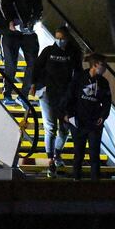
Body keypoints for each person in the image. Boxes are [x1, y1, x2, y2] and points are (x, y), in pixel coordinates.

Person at [30, 25, 81, 178]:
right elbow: (37, 67)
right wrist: (33, 84)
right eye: (57, 38)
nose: (59, 41)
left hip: (65, 95)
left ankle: (57, 153)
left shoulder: (73, 53)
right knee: (50, 127)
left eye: (62, 38)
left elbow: (77, 73)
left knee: (64, 128)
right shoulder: (48, 51)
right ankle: (51, 159)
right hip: (48, 93)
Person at [0, 0, 42, 105]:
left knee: (32, 63)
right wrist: (9, 21)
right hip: (11, 31)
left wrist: (32, 22)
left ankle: (23, 95)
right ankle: (7, 93)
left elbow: (38, 9)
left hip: (27, 32)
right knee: (11, 63)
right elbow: (3, 3)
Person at [65, 53, 112, 181]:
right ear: (95, 65)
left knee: (94, 155)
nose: (105, 68)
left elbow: (107, 102)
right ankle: (76, 180)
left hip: (94, 124)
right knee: (78, 154)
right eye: (103, 65)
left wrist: (103, 116)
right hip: (79, 122)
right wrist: (69, 115)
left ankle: (95, 183)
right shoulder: (79, 78)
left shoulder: (103, 82)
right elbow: (70, 97)